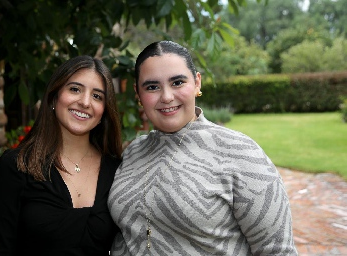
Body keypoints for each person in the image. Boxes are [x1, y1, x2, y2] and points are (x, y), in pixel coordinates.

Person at [108, 41, 298, 255]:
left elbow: (277, 250)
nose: (167, 96)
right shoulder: (134, 151)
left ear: (197, 83)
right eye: (152, 87)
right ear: (138, 94)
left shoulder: (241, 153)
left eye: (177, 82)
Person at [0, 55, 123, 255]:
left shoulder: (117, 171)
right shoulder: (16, 166)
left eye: (97, 96)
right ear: (54, 96)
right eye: (75, 89)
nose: (85, 102)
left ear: (104, 111)